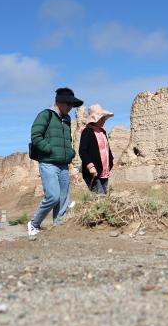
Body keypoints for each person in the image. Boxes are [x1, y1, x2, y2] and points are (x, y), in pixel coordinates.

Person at [28, 86, 83, 236]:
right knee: (53, 196)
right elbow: (36, 135)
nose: (71, 107)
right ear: (60, 102)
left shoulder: (67, 119)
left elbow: (68, 140)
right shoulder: (46, 115)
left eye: (72, 105)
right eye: (69, 104)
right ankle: (34, 224)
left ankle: (58, 227)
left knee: (63, 199)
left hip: (64, 164)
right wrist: (49, 149)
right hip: (48, 163)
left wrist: (70, 153)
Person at [79, 103, 115, 195]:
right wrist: (90, 166)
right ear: (95, 119)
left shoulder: (102, 131)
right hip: (93, 172)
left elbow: (107, 149)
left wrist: (111, 161)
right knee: (100, 197)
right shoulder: (87, 132)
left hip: (104, 171)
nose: (104, 120)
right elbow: (82, 151)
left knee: (105, 196)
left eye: (104, 117)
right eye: (102, 118)